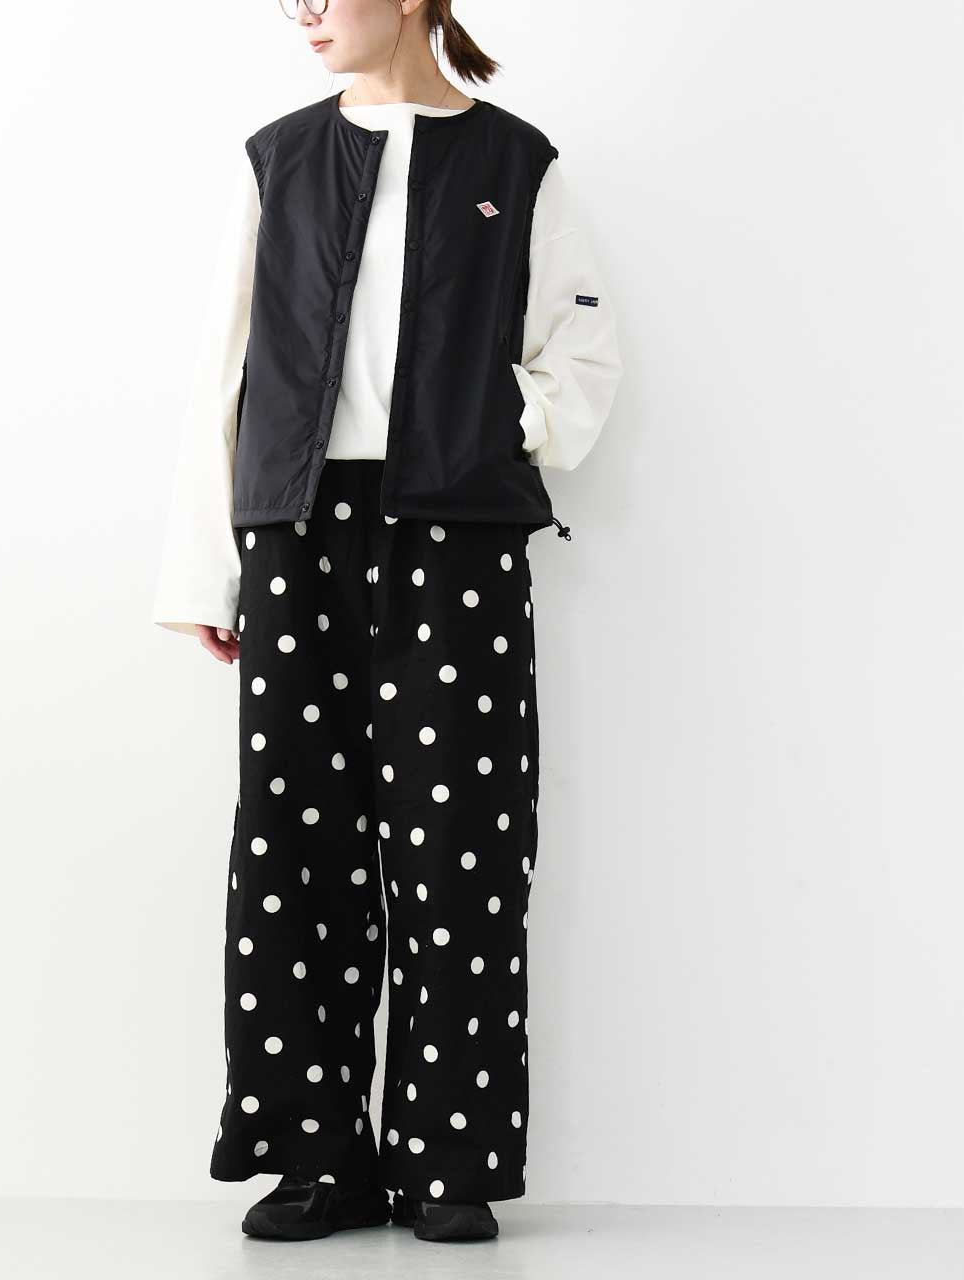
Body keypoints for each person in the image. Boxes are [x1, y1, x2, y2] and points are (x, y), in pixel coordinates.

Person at [152, 0, 623, 1245]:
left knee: (461, 840)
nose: (303, 10)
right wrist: (206, 573)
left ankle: (446, 1157)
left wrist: (487, 429)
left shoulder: (514, 160)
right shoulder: (279, 160)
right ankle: (317, 1157)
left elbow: (580, 354)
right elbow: (225, 368)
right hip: (297, 529)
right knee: (292, 844)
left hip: (455, 530)